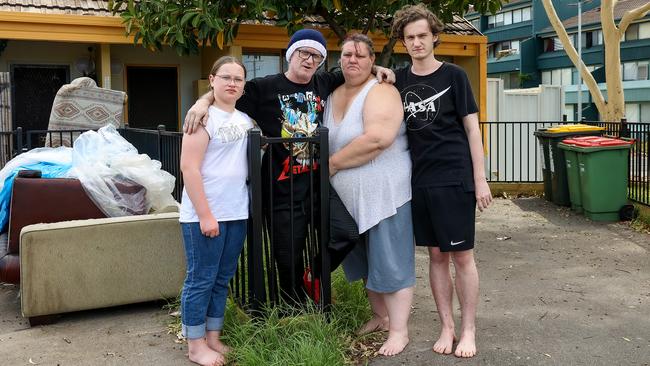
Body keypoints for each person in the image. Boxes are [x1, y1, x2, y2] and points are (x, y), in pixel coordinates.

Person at [184, 29, 394, 304]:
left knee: (346, 233)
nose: (309, 60)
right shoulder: (264, 88)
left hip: (317, 182)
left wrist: (379, 68)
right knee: (287, 258)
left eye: (316, 56)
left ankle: (314, 275)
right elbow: (228, 91)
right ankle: (291, 314)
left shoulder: (323, 82)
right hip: (281, 187)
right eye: (304, 53)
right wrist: (202, 101)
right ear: (290, 54)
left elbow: (353, 66)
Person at [390, 4, 493, 358]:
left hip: (454, 177)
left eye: (422, 36)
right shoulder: (399, 80)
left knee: (462, 257)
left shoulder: (453, 76)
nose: (417, 42)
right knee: (435, 255)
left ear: (434, 37)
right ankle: (446, 326)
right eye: (410, 38)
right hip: (419, 181)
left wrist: (480, 180)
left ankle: (468, 330)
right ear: (404, 43)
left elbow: (472, 129)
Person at [326, 33, 414, 356]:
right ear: (340, 58)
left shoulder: (381, 90)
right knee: (366, 263)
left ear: (372, 60)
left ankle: (399, 329)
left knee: (392, 261)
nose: (353, 60)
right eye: (348, 54)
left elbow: (378, 138)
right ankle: (380, 316)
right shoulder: (332, 92)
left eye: (361, 56)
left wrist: (331, 164)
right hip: (349, 201)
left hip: (384, 194)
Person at [179, 56, 253, 366]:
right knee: (201, 279)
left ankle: (213, 337)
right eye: (226, 77)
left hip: (237, 211)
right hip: (205, 215)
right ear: (212, 80)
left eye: (238, 78)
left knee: (222, 279)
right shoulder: (202, 119)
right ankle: (195, 346)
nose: (232, 83)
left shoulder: (246, 121)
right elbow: (189, 168)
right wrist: (206, 215)